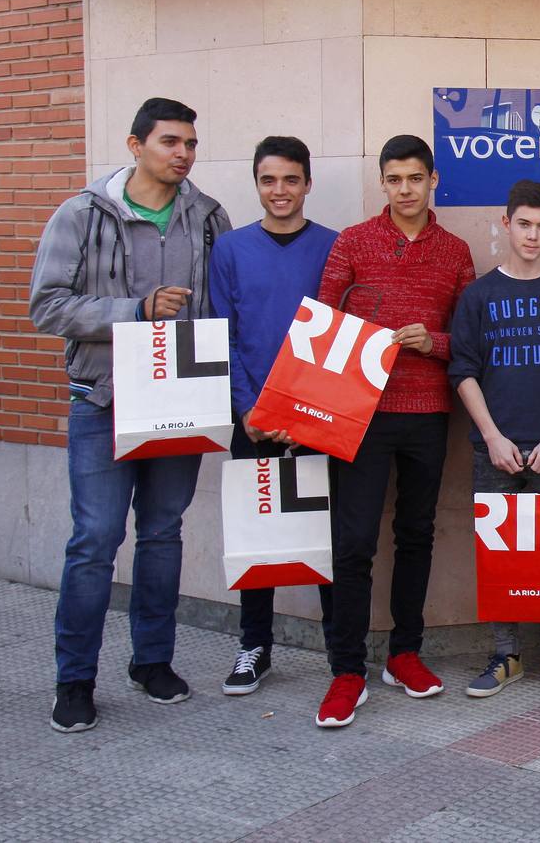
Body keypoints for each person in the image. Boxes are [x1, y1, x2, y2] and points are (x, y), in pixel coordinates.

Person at [30, 97, 232, 732]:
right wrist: (134, 311)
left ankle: (152, 663)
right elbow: (47, 306)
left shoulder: (208, 218)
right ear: (134, 144)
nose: (183, 154)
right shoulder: (83, 214)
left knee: (163, 535)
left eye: (191, 144)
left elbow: (226, 304)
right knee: (94, 542)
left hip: (182, 403)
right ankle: (75, 679)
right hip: (104, 401)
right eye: (170, 141)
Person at [314, 134, 475, 728]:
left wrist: (431, 343)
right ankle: (347, 669)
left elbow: (469, 342)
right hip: (359, 415)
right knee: (353, 543)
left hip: (427, 413)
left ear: (433, 181)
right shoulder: (352, 243)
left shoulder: (456, 251)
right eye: (394, 179)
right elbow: (322, 328)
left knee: (416, 534)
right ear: (382, 183)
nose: (405, 189)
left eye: (415, 178)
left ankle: (405, 654)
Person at [450, 180, 540, 699]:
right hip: (497, 446)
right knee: (499, 553)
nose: (533, 235)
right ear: (506, 224)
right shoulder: (480, 294)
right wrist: (491, 436)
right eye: (524, 224)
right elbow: (463, 370)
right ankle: (504, 655)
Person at [208, 135, 338, 696]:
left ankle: (342, 651)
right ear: (256, 185)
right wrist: (248, 411)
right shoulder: (230, 250)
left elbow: (337, 340)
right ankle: (253, 647)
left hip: (318, 417)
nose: (279, 191)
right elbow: (225, 336)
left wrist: (313, 410)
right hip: (254, 418)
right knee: (256, 534)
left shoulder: (334, 247)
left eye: (290, 179)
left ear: (308, 183)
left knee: (330, 535)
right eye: (268, 180)